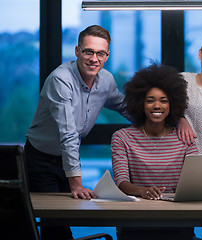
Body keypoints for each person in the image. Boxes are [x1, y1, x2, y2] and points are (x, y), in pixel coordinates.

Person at [25, 25, 128, 239]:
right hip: (40, 159)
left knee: (69, 217)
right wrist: (76, 184)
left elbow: (124, 106)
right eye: (88, 51)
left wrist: (161, 121)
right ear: (77, 51)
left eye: (101, 53)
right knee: (55, 224)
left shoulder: (106, 80)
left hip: (66, 158)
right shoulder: (60, 80)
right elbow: (68, 133)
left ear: (107, 55)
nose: (94, 59)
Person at [111, 63, 198, 239]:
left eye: (163, 100)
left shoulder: (185, 138)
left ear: (173, 103)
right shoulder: (122, 138)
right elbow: (121, 183)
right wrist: (142, 190)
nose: (157, 105)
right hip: (135, 221)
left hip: (178, 220)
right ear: (140, 103)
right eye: (150, 100)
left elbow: (193, 182)